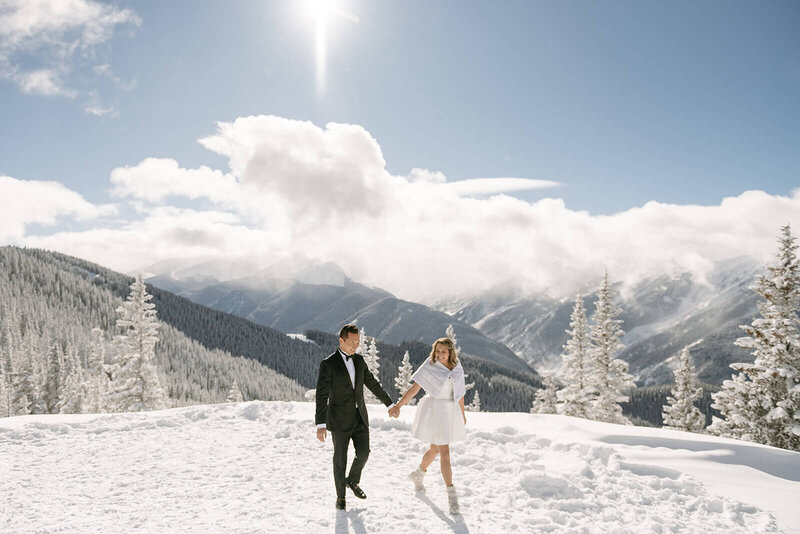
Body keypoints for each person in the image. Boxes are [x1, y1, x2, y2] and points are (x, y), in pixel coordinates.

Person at [315, 324, 396, 510]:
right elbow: (321, 395)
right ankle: (341, 497)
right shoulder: (328, 364)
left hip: (360, 417)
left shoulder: (359, 360)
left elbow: (372, 383)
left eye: (358, 342)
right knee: (340, 460)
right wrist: (320, 424)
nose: (355, 346)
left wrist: (389, 404)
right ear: (341, 340)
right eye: (352, 342)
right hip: (339, 420)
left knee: (364, 453)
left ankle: (352, 480)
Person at [389, 337, 466, 514]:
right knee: (445, 451)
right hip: (435, 411)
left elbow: (460, 393)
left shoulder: (456, 368)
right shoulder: (430, 365)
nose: (439, 355)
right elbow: (415, 388)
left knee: (435, 449)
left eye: (443, 352)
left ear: (450, 353)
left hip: (450, 411)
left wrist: (462, 413)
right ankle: (452, 496)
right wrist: (398, 406)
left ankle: (419, 474)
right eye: (437, 351)